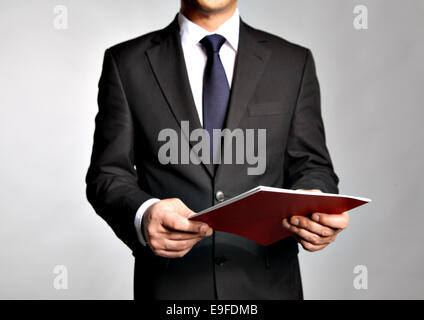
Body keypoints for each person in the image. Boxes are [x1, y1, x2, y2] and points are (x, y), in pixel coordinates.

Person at [86, 0, 349, 300]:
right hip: (171, 290)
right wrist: (144, 215)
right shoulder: (126, 63)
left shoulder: (292, 62)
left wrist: (312, 201)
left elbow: (312, 166)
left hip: (268, 287)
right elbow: (107, 175)